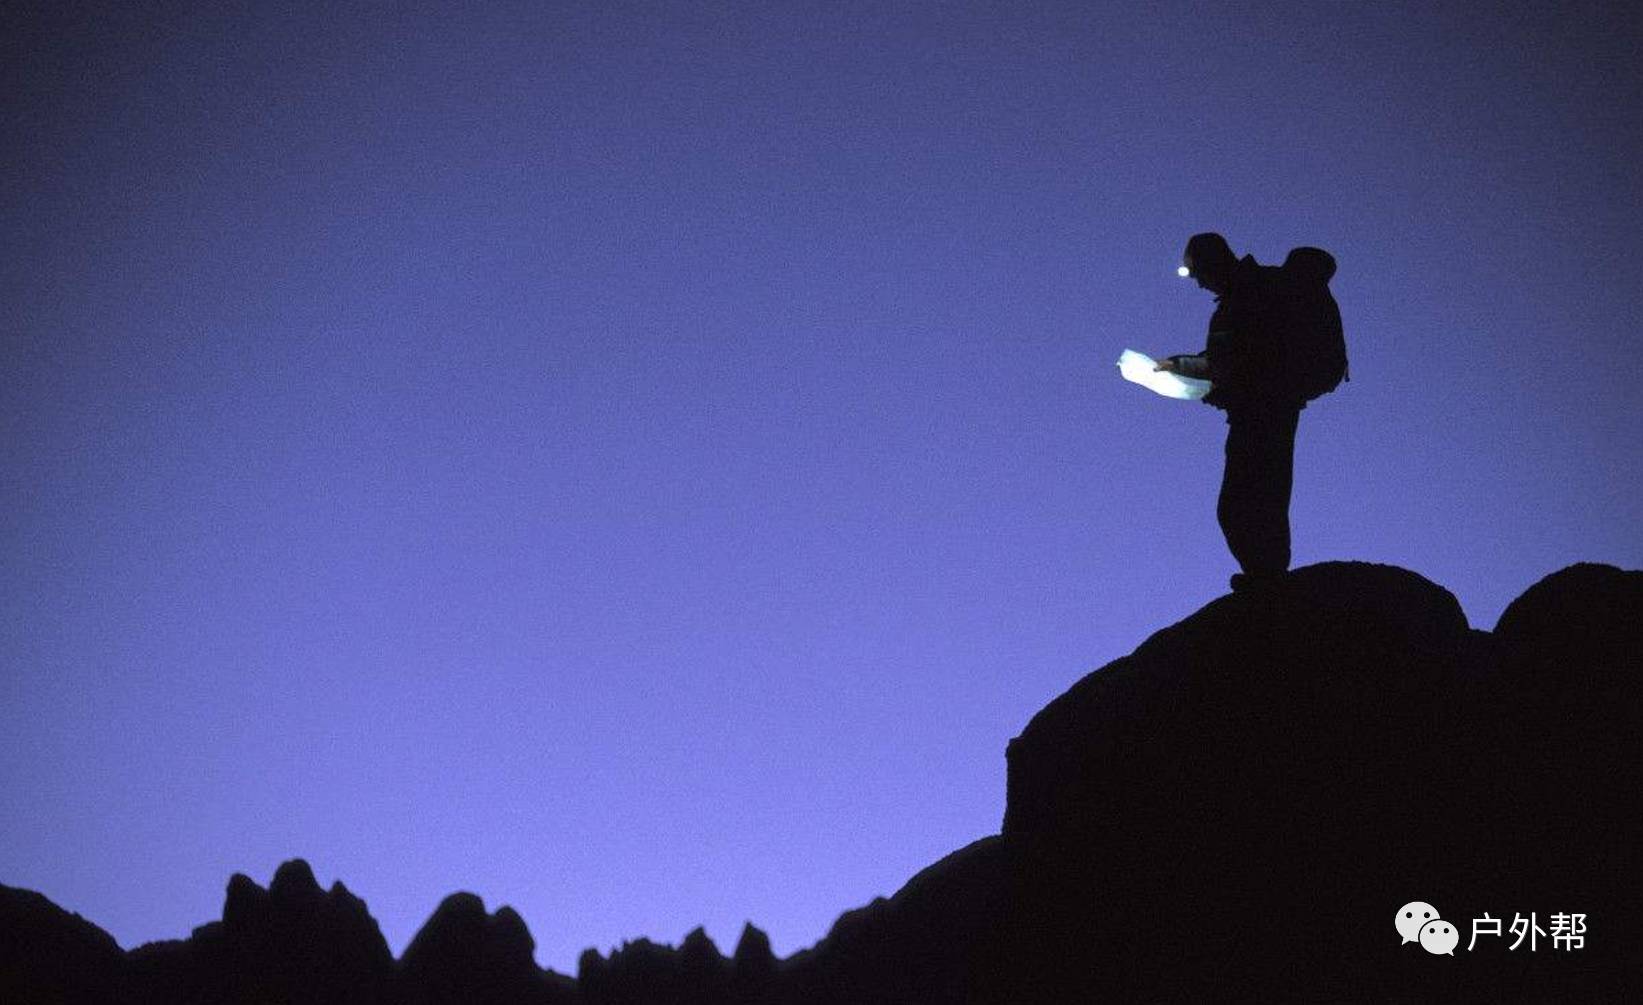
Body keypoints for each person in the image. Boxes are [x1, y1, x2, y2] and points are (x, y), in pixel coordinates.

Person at [1155, 232, 1305, 593]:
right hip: (1257, 410)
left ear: (1211, 260)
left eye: (1196, 272)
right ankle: (1266, 577)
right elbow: (1221, 362)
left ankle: (1267, 582)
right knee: (1255, 499)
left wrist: (1229, 387)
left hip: (1265, 410)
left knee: (1247, 502)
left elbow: (1256, 359)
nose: (1197, 282)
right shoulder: (1242, 297)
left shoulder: (1253, 294)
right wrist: (1176, 365)